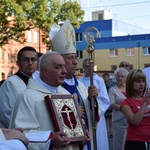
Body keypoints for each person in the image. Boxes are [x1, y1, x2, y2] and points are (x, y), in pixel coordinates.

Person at [9, 51, 90, 150]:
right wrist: (50, 139)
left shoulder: (66, 94)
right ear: (45, 72)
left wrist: (81, 135)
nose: (64, 71)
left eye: (64, 66)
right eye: (58, 67)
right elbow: (20, 134)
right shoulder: (27, 97)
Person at [49, 20, 102, 150]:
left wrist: (92, 100)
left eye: (75, 57)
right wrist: (73, 112)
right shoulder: (53, 88)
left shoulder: (82, 87)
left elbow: (92, 116)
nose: (75, 62)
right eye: (70, 58)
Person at [0, 46, 38, 128]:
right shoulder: (10, 83)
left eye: (33, 59)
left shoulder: (38, 83)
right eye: (25, 60)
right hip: (17, 133)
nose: (30, 63)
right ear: (18, 63)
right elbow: (6, 114)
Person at [78, 58, 110, 150]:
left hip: (97, 115)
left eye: (91, 66)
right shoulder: (79, 82)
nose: (89, 68)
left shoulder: (99, 80)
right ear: (83, 67)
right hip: (85, 115)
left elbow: (104, 99)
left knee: (99, 140)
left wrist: (95, 106)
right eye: (87, 66)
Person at [120, 69, 150, 150]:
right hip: (135, 142)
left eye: (143, 81)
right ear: (130, 83)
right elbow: (135, 121)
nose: (141, 84)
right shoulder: (126, 102)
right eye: (138, 81)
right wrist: (145, 104)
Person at [109, 67, 129, 150]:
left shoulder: (130, 89)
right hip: (118, 121)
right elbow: (112, 104)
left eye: (122, 76)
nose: (120, 78)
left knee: (129, 143)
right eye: (118, 76)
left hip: (130, 121)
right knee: (119, 144)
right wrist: (125, 109)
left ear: (126, 77)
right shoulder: (112, 90)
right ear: (115, 78)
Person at [102, 72, 114, 138]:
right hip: (105, 103)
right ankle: (106, 132)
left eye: (106, 76)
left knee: (111, 118)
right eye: (104, 77)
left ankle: (111, 131)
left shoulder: (111, 84)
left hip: (110, 102)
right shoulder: (102, 84)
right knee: (106, 118)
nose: (105, 78)